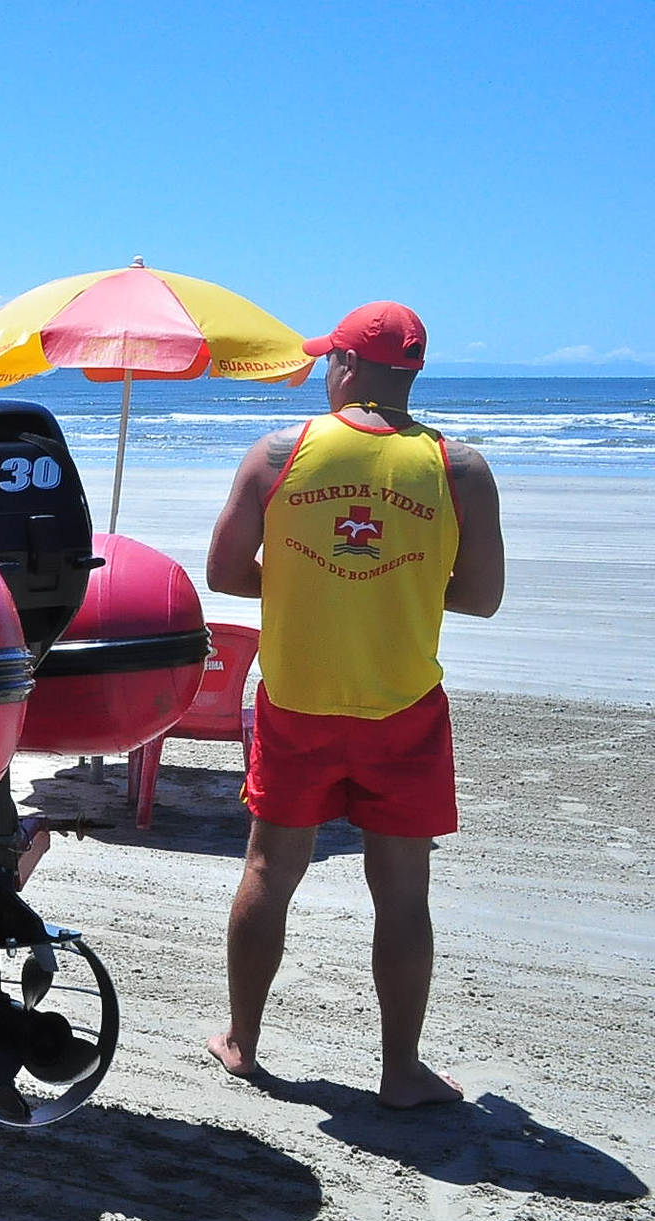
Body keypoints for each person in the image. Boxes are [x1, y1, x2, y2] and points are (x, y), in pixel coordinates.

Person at [203, 301, 505, 1109]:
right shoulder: (460, 467)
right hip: (400, 703)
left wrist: (309, 580)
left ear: (343, 365)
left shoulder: (278, 453)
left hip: (299, 699)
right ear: (410, 371)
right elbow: (482, 598)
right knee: (403, 891)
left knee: (271, 867)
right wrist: (397, 582)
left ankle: (243, 1040)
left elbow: (225, 574)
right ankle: (401, 1074)